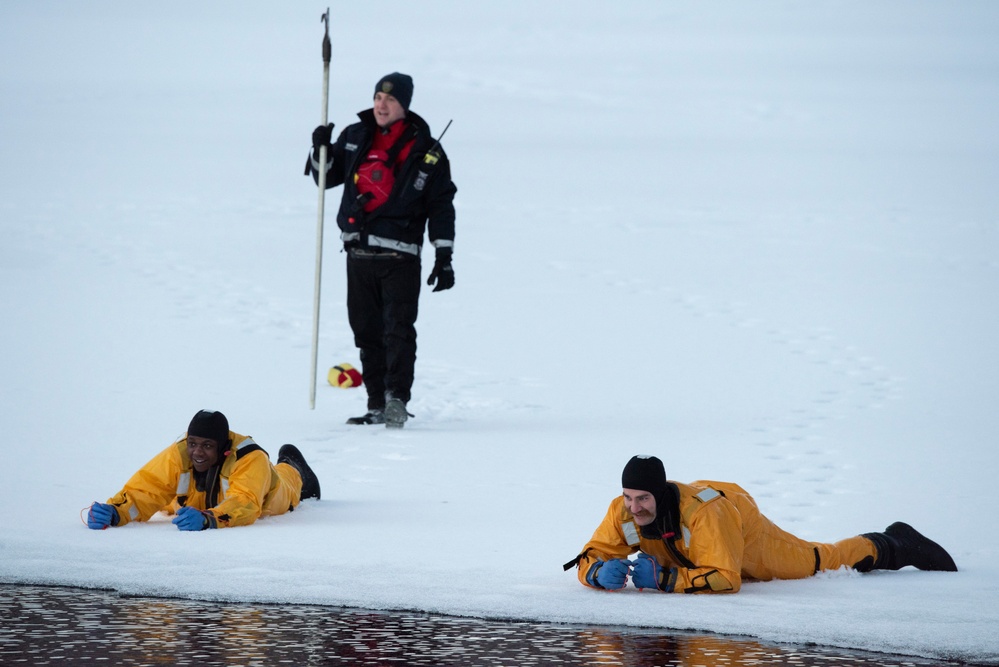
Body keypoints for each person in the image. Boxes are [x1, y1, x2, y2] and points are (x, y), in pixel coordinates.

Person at [565, 455, 957, 593]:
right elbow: (590, 554)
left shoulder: (704, 515)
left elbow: (726, 578)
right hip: (695, 546)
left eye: (643, 499)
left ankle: (890, 543)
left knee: (818, 560)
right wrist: (596, 572)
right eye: (629, 497)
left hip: (740, 527)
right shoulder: (622, 509)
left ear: (660, 494)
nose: (635, 508)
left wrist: (667, 581)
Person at [306, 72, 458, 429]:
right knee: (366, 331)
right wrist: (320, 149)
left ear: (404, 105)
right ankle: (376, 402)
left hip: (400, 256)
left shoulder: (428, 150)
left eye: (390, 100)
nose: (381, 104)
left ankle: (396, 400)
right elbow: (325, 179)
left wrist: (444, 256)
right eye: (377, 97)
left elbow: (441, 206)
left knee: (398, 330)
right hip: (357, 252)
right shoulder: (354, 136)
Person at [86, 410, 321, 531]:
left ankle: (293, 464)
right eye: (193, 443)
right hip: (192, 504)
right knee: (168, 503)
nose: (197, 452)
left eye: (207, 446)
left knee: (291, 485)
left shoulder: (250, 458)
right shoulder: (179, 452)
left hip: (269, 498)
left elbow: (245, 503)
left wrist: (210, 519)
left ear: (223, 447)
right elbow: (149, 489)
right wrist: (117, 511)